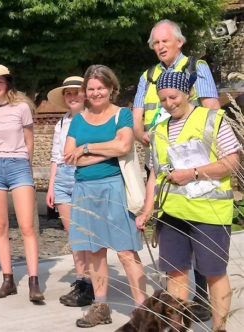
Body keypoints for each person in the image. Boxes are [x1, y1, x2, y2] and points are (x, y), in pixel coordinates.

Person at [135, 72, 239, 332]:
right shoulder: (157, 130)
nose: (169, 103)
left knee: (214, 273)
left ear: (189, 93)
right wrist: (147, 211)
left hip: (209, 212)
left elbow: (232, 163)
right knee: (175, 273)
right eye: (163, 99)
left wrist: (192, 173)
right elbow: (154, 176)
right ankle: (178, 327)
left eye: (173, 97)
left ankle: (219, 328)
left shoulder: (212, 119)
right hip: (171, 213)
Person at [132, 19, 220, 320]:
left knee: (198, 222)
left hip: (194, 156)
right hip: (161, 153)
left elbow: (211, 107)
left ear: (179, 42)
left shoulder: (198, 68)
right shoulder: (149, 74)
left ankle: (203, 294)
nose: (159, 47)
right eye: (155, 43)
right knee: (171, 221)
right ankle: (179, 300)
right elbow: (138, 110)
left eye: (164, 42)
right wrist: (139, 132)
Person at [64, 65, 146, 328]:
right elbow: (70, 158)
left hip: (115, 188)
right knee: (95, 252)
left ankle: (143, 311)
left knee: (125, 252)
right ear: (86, 92)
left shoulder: (122, 114)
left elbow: (124, 145)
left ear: (111, 88)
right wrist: (108, 150)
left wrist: (86, 148)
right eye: (91, 88)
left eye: (101, 87)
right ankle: (100, 307)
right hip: (85, 190)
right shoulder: (78, 119)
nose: (96, 92)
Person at [0, 64, 44, 303]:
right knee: (0, 227)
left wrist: (26, 166)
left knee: (26, 227)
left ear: (7, 83)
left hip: (19, 165)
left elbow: (29, 141)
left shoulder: (21, 108)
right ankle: (8, 280)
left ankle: (34, 281)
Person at [45, 76, 93, 307]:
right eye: (68, 93)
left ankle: (91, 281)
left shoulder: (92, 119)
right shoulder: (61, 123)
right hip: (63, 176)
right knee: (73, 234)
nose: (72, 96)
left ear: (85, 94)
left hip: (83, 174)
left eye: (76, 92)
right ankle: (81, 279)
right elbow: (56, 156)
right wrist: (51, 186)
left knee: (87, 232)